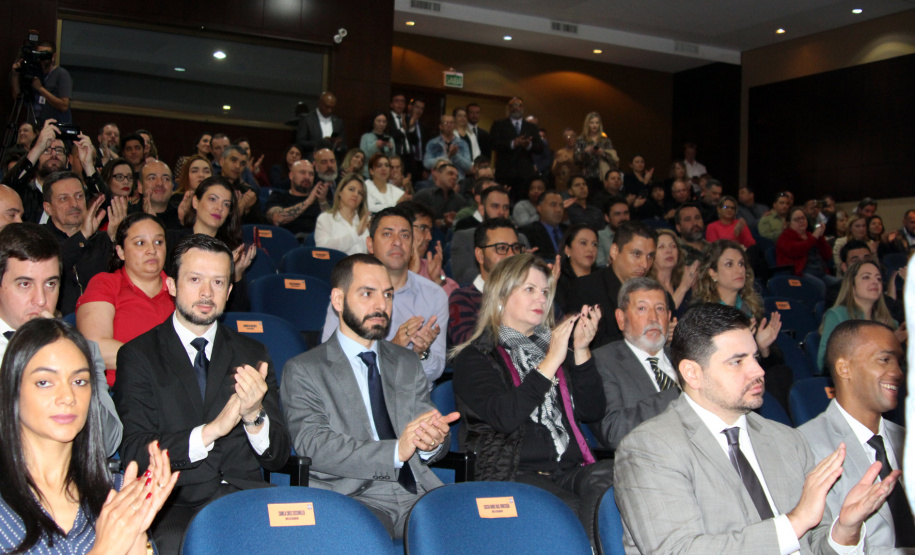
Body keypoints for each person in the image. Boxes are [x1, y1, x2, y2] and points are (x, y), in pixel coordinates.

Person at [614, 302, 898, 555]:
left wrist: (844, 530)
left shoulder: (788, 440)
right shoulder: (649, 449)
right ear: (692, 373)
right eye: (737, 361)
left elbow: (815, 543)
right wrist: (795, 521)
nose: (759, 371)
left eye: (755, 358)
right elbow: (679, 550)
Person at [114, 234, 290, 554]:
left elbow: (277, 457)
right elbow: (136, 453)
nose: (207, 293)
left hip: (248, 497)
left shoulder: (253, 353)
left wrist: (254, 416)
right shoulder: (139, 356)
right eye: (195, 279)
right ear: (171, 285)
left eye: (218, 282)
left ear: (229, 292)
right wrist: (209, 432)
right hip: (176, 504)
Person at [283, 254, 456, 538]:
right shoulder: (305, 370)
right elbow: (314, 445)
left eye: (387, 294)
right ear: (338, 300)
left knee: (475, 532)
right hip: (354, 498)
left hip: (417, 492)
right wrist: (394, 452)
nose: (381, 305)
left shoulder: (406, 362)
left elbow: (425, 427)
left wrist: (431, 441)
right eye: (367, 293)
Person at [451, 254, 613, 542]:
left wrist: (582, 350)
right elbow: (506, 417)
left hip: (568, 469)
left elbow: (592, 411)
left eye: (545, 291)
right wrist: (550, 362)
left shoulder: (555, 349)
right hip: (512, 473)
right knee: (569, 511)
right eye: (530, 289)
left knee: (611, 481)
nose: (541, 298)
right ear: (501, 296)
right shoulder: (476, 357)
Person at [0, 318, 178, 554]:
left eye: (79, 381)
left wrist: (135, 537)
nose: (68, 396)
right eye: (44, 382)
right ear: (13, 390)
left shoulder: (117, 492)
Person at [0, 222, 122, 456]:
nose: (41, 300)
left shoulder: (81, 350)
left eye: (50, 284)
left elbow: (107, 442)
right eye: (25, 284)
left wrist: (70, 357)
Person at [801, 320, 915, 552]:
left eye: (899, 362)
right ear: (845, 368)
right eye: (884, 360)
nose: (898, 372)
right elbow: (817, 547)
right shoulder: (803, 445)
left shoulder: (907, 440)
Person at [322, 206, 448, 387]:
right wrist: (394, 348)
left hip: (412, 396)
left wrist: (422, 353)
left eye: (405, 235)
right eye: (388, 234)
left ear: (412, 246)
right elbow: (330, 362)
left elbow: (436, 372)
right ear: (370, 244)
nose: (397, 242)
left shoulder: (434, 296)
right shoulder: (348, 293)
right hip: (358, 394)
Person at [76, 213, 175, 385]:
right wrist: (159, 361)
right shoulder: (106, 284)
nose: (152, 250)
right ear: (121, 252)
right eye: (140, 243)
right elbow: (94, 347)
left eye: (159, 242)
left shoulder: (180, 290)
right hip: (119, 390)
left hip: (175, 390)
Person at [693, 240, 793, 408]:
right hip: (722, 383)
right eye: (729, 264)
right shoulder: (701, 314)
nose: (739, 270)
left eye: (741, 264)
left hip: (754, 382)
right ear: (713, 273)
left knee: (781, 374)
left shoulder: (751, 310)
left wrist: (762, 348)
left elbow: (776, 362)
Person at [592, 277, 680, 451]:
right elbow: (613, 432)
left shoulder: (688, 360)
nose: (653, 318)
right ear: (621, 318)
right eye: (642, 309)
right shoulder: (603, 362)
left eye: (660, 309)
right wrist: (680, 393)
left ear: (669, 317)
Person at [569, 221, 659, 348]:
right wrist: (643, 337)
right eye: (636, 254)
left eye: (650, 256)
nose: (644, 264)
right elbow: (592, 345)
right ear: (614, 251)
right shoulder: (585, 288)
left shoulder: (653, 293)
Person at [818, 260, 906, 371]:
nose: (875, 282)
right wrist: (889, 342)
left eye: (878, 279)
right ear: (852, 285)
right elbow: (824, 363)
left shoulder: (890, 322)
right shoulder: (837, 315)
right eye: (866, 277)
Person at [447, 218, 521, 347]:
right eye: (501, 248)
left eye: (515, 248)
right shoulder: (463, 298)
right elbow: (469, 346)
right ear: (480, 255)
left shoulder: (530, 294)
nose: (511, 255)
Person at [489, 97, 544, 203]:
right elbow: (493, 144)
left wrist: (528, 145)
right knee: (504, 201)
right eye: (512, 106)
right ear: (508, 108)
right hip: (505, 173)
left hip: (525, 173)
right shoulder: (499, 124)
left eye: (518, 105)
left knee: (524, 202)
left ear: (522, 108)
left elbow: (540, 148)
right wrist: (512, 144)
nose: (515, 108)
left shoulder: (531, 127)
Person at [403, 201, 458, 296]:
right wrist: (411, 275)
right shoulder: (386, 269)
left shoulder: (429, 266)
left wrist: (439, 279)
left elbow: (455, 301)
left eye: (430, 231)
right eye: (422, 228)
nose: (429, 237)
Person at [10, 40, 72, 124]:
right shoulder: (33, 72)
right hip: (35, 125)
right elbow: (18, 99)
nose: (42, 59)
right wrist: (15, 75)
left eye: (45, 55)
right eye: (39, 55)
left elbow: (64, 106)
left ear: (53, 56)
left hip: (56, 126)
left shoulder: (61, 74)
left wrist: (40, 89)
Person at [776, 206, 838, 288]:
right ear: (789, 223)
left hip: (820, 272)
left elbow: (827, 256)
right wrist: (814, 237)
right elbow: (797, 251)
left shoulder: (810, 235)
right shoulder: (784, 238)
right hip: (799, 274)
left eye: (803, 218)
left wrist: (820, 237)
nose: (801, 221)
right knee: (820, 286)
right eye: (797, 219)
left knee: (841, 284)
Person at [265, 159, 329, 236]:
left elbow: (331, 226)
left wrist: (323, 201)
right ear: (291, 176)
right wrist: (308, 201)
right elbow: (277, 218)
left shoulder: (320, 199)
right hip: (288, 240)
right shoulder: (278, 196)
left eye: (311, 174)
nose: (307, 177)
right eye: (302, 172)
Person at [314, 173, 370, 255]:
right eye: (351, 189)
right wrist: (355, 234)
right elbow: (322, 250)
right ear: (340, 192)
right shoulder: (325, 218)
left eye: (360, 193)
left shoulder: (364, 220)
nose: (356, 194)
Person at [649, 228, 697, 313]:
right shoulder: (647, 287)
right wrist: (683, 287)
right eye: (661, 247)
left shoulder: (683, 281)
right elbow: (661, 315)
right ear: (651, 255)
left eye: (673, 246)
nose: (669, 251)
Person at [555, 223, 598, 314]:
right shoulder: (559, 281)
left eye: (594, 244)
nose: (591, 249)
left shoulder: (602, 278)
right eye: (583, 243)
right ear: (568, 250)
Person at [574, 112, 618, 191]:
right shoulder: (581, 140)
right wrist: (585, 152)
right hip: (587, 176)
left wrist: (603, 154)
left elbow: (613, 160)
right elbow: (576, 159)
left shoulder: (605, 141)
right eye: (592, 123)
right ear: (587, 124)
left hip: (603, 176)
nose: (594, 125)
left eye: (597, 123)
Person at [296, 91, 347, 160]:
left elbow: (344, 147)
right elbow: (300, 143)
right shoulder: (307, 119)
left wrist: (338, 146)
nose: (330, 110)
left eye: (332, 108)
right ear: (319, 103)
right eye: (327, 107)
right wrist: (322, 143)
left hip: (332, 161)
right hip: (313, 160)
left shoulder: (338, 122)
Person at [520, 189, 566, 260]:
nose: (559, 210)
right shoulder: (528, 233)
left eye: (561, 206)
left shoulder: (569, 230)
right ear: (539, 208)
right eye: (553, 205)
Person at [423, 114, 472, 180]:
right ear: (441, 126)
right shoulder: (433, 143)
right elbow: (427, 163)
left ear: (454, 126)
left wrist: (455, 156)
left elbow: (468, 166)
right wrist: (447, 157)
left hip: (457, 180)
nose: (449, 125)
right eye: (446, 123)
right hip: (437, 180)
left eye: (451, 123)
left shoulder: (462, 143)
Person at [596, 195, 630, 267]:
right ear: (607, 218)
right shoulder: (599, 237)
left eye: (626, 213)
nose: (623, 218)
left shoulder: (636, 236)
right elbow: (600, 265)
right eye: (617, 214)